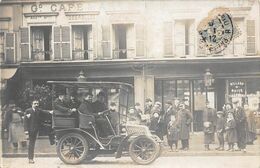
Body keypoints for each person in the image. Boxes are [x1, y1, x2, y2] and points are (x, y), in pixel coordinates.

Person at [24, 100, 53, 164]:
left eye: (37, 103)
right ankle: (30, 159)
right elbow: (25, 122)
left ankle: (52, 140)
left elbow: (45, 112)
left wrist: (51, 112)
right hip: (31, 130)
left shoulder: (38, 110)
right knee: (31, 144)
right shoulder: (28, 111)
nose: (36, 105)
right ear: (32, 104)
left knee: (49, 128)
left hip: (38, 128)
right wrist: (26, 132)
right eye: (35, 103)